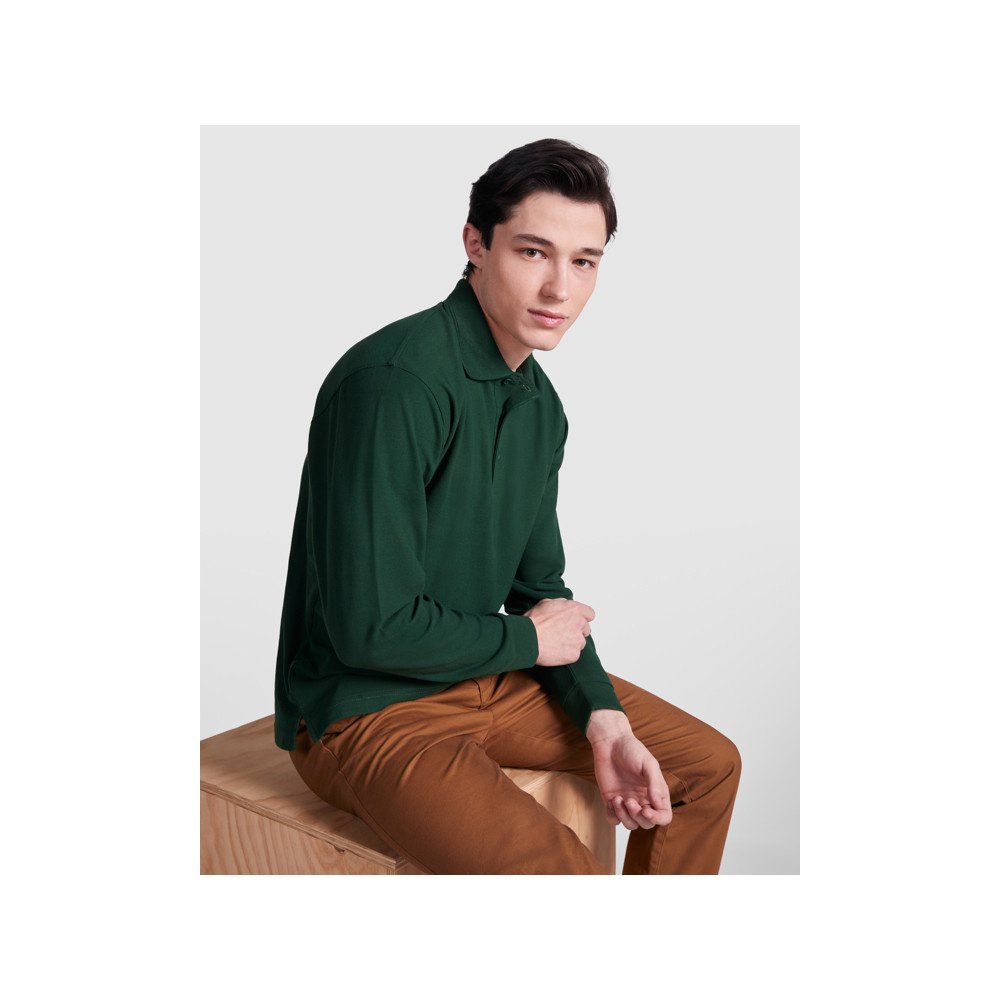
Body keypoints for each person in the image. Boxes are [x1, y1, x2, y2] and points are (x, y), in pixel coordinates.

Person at [273, 137, 741, 874]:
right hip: (368, 710)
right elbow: (370, 630)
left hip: (485, 678)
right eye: (532, 252)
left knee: (708, 769)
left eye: (584, 262)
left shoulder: (540, 407)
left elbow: (539, 591)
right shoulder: (393, 384)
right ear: (475, 244)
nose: (559, 288)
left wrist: (602, 716)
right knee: (564, 876)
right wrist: (525, 642)